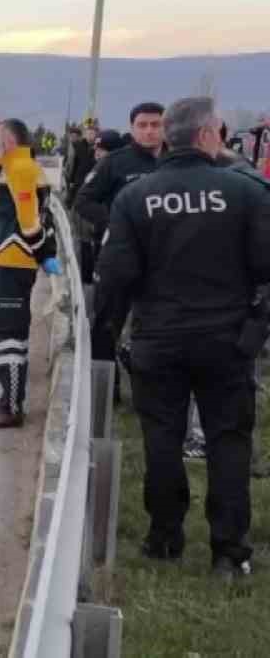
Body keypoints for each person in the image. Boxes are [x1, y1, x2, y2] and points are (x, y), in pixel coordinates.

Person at [96, 96, 270, 581]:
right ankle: (229, 554)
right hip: (227, 340)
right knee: (228, 443)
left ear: (169, 136)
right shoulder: (248, 192)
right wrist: (256, 331)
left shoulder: (136, 197)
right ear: (206, 135)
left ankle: (164, 537)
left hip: (159, 339)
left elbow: (115, 277)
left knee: (162, 440)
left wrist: (109, 333)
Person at [0, 119, 56, 429]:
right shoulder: (19, 166)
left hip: (13, 260)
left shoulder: (21, 169)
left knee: (9, 335)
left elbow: (29, 222)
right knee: (6, 334)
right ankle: (7, 396)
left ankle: (12, 407)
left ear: (9, 140)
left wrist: (44, 255)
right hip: (8, 259)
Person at [77, 103, 163, 368]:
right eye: (143, 125)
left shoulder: (176, 161)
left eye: (155, 125)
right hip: (120, 258)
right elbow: (84, 201)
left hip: (164, 259)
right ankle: (104, 393)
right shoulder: (115, 163)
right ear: (132, 128)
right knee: (107, 324)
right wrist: (117, 223)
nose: (149, 131)